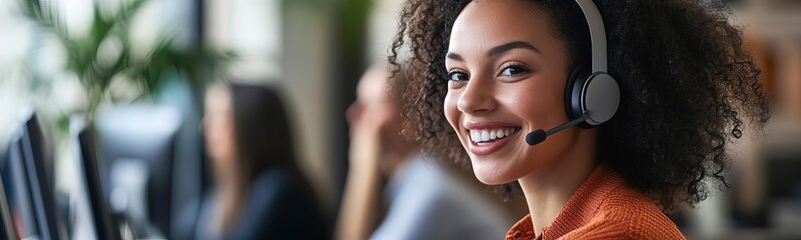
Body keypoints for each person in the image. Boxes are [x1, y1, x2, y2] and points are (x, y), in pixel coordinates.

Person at [388, 0, 770, 239]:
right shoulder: (550, 230)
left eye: (512, 69)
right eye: (458, 75)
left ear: (592, 93)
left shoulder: (618, 234)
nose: (470, 100)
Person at [336, 63, 512, 240]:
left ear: (412, 117)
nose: (354, 113)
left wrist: (363, 168)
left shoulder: (429, 191)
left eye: (373, 104)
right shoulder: (414, 180)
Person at [178, 82, 329, 240]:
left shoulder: (280, 191)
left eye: (220, 117)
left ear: (251, 125)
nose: (206, 126)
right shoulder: (220, 197)